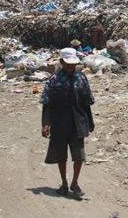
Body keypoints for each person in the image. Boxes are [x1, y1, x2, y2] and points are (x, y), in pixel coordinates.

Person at [40, 48, 95, 198]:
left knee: (79, 155)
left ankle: (75, 183)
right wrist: (45, 123)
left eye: (74, 64)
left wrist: (90, 122)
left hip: (78, 122)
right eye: (68, 64)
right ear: (62, 62)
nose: (71, 67)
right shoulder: (54, 80)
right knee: (61, 155)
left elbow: (86, 102)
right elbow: (47, 103)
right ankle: (64, 183)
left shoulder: (81, 78)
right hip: (59, 123)